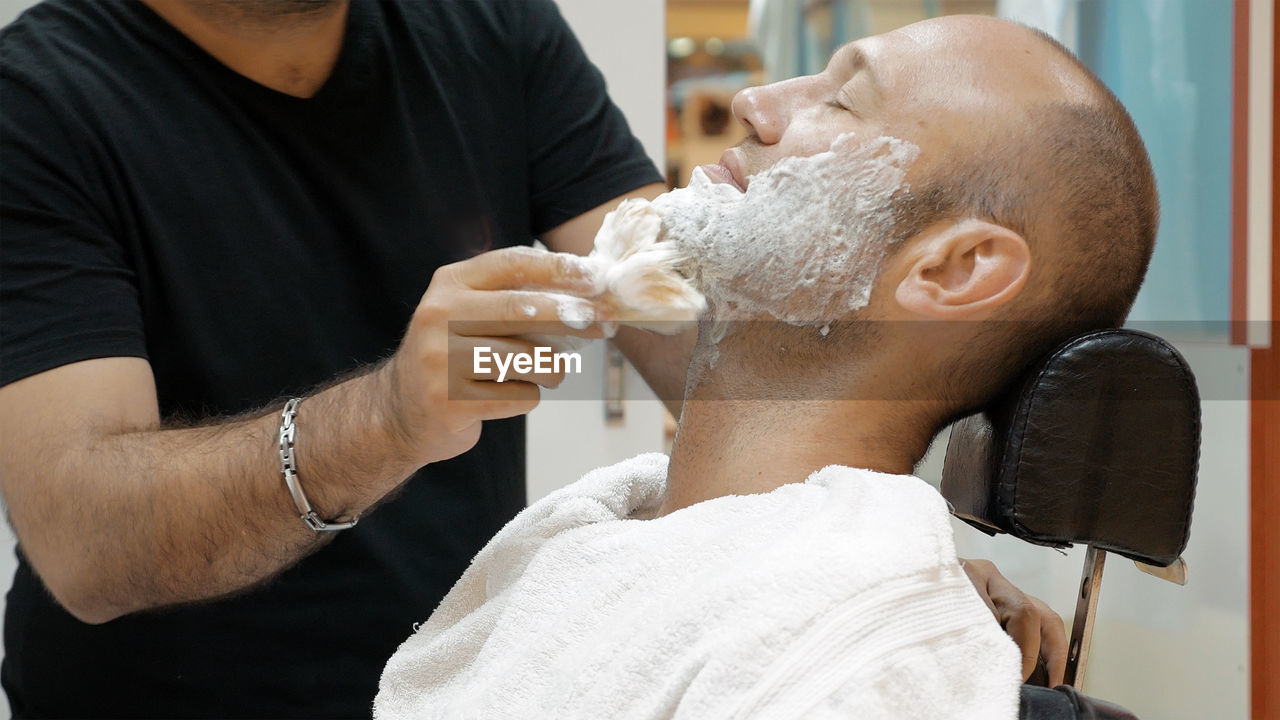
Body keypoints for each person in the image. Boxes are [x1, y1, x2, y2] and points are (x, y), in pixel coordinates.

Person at [0, 1, 1065, 716]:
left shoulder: (488, 28)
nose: (751, 107)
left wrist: (870, 540)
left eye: (838, 98)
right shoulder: (39, 102)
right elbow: (85, 544)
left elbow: (688, 322)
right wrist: (388, 417)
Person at [375, 13, 1156, 720]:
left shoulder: (868, 658)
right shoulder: (592, 536)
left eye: (843, 100)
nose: (755, 101)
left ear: (957, 270)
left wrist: (898, 596)